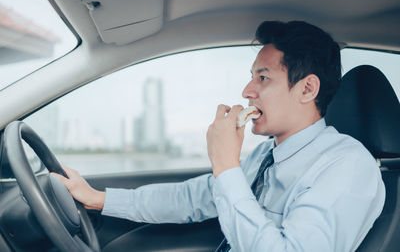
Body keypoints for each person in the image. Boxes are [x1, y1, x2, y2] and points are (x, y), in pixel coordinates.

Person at [53, 21, 385, 252]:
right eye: (251, 77)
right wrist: (98, 198)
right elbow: (189, 199)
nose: (246, 90)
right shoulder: (265, 155)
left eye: (263, 78)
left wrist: (226, 166)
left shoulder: (347, 167)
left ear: (307, 88)